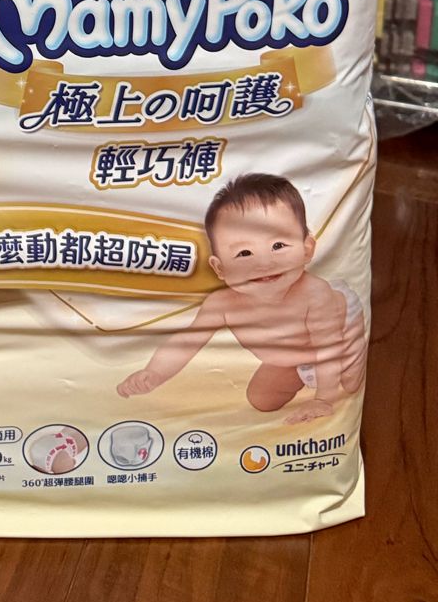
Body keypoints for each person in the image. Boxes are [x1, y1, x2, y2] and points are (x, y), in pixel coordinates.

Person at [117, 173, 367, 424]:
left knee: (348, 385)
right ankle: (300, 373)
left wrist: (323, 399)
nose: (264, 263)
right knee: (261, 399)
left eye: (278, 246)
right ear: (220, 268)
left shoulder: (316, 294)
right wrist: (153, 373)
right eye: (245, 253)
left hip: (340, 334)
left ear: (306, 249)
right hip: (293, 355)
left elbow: (328, 348)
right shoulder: (222, 305)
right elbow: (186, 342)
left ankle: (344, 368)